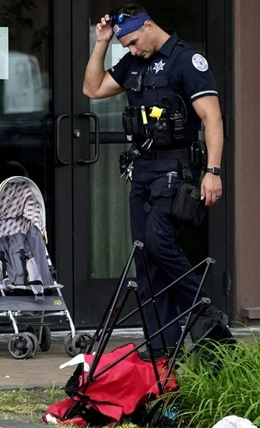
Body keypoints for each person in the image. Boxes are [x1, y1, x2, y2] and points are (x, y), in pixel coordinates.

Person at [82, 3, 225, 357]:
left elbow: (213, 119)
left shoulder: (186, 60)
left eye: (132, 41)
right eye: (124, 45)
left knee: (160, 244)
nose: (131, 50)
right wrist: (101, 42)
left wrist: (214, 171)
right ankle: (163, 351)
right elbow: (93, 89)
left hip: (176, 170)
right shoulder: (133, 62)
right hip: (143, 171)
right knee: (146, 260)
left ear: (148, 26)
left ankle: (204, 310)